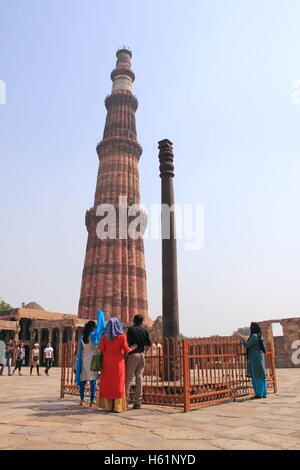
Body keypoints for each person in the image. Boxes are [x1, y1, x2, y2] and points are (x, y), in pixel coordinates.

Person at [97, 317, 137, 413]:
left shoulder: (104, 337)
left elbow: (100, 350)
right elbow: (127, 350)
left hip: (107, 363)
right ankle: (117, 406)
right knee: (118, 383)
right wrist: (133, 348)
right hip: (118, 363)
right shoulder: (122, 336)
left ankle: (108, 406)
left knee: (107, 383)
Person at [75, 310, 106, 407]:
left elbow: (79, 352)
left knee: (83, 380)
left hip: (84, 361)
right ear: (93, 328)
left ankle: (82, 399)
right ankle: (92, 400)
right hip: (93, 362)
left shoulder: (82, 338)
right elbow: (101, 329)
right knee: (93, 381)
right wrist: (101, 316)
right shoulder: (95, 336)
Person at [125, 314, 151, 409]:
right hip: (142, 356)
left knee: (128, 379)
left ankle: (125, 401)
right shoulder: (145, 331)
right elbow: (148, 345)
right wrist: (143, 350)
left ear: (134, 321)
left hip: (133, 355)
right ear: (142, 321)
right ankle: (138, 402)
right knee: (139, 378)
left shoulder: (131, 330)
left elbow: (128, 343)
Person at [238, 322, 267, 399]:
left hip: (255, 358)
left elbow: (248, 345)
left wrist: (243, 339)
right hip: (259, 357)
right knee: (261, 375)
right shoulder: (259, 336)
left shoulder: (254, 336)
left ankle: (259, 394)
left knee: (256, 375)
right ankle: (263, 393)